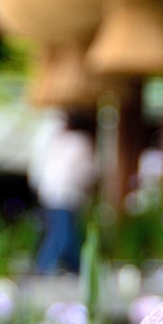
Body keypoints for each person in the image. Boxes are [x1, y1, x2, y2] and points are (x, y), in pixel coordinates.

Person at [28, 108, 96, 273]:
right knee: (62, 233)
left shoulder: (55, 141)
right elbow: (87, 173)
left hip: (49, 192)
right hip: (66, 194)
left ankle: (77, 268)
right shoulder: (80, 142)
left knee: (66, 231)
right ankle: (43, 267)